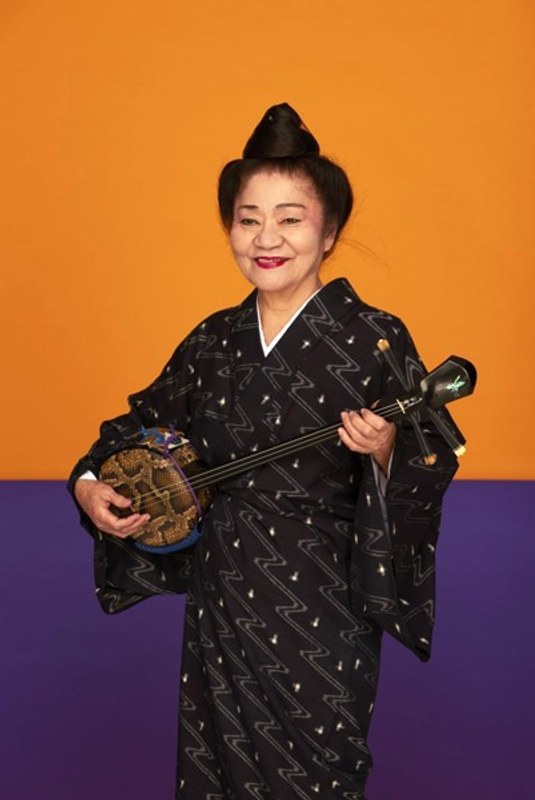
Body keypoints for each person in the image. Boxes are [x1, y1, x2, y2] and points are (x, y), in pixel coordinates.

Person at [70, 103, 461, 799]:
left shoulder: (373, 336)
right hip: (224, 587)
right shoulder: (212, 340)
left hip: (321, 594)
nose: (266, 238)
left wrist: (384, 449)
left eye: (290, 218)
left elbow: (431, 458)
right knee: (215, 768)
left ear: (329, 232)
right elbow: (134, 428)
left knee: (318, 769)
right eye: (248, 219)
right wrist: (89, 484)